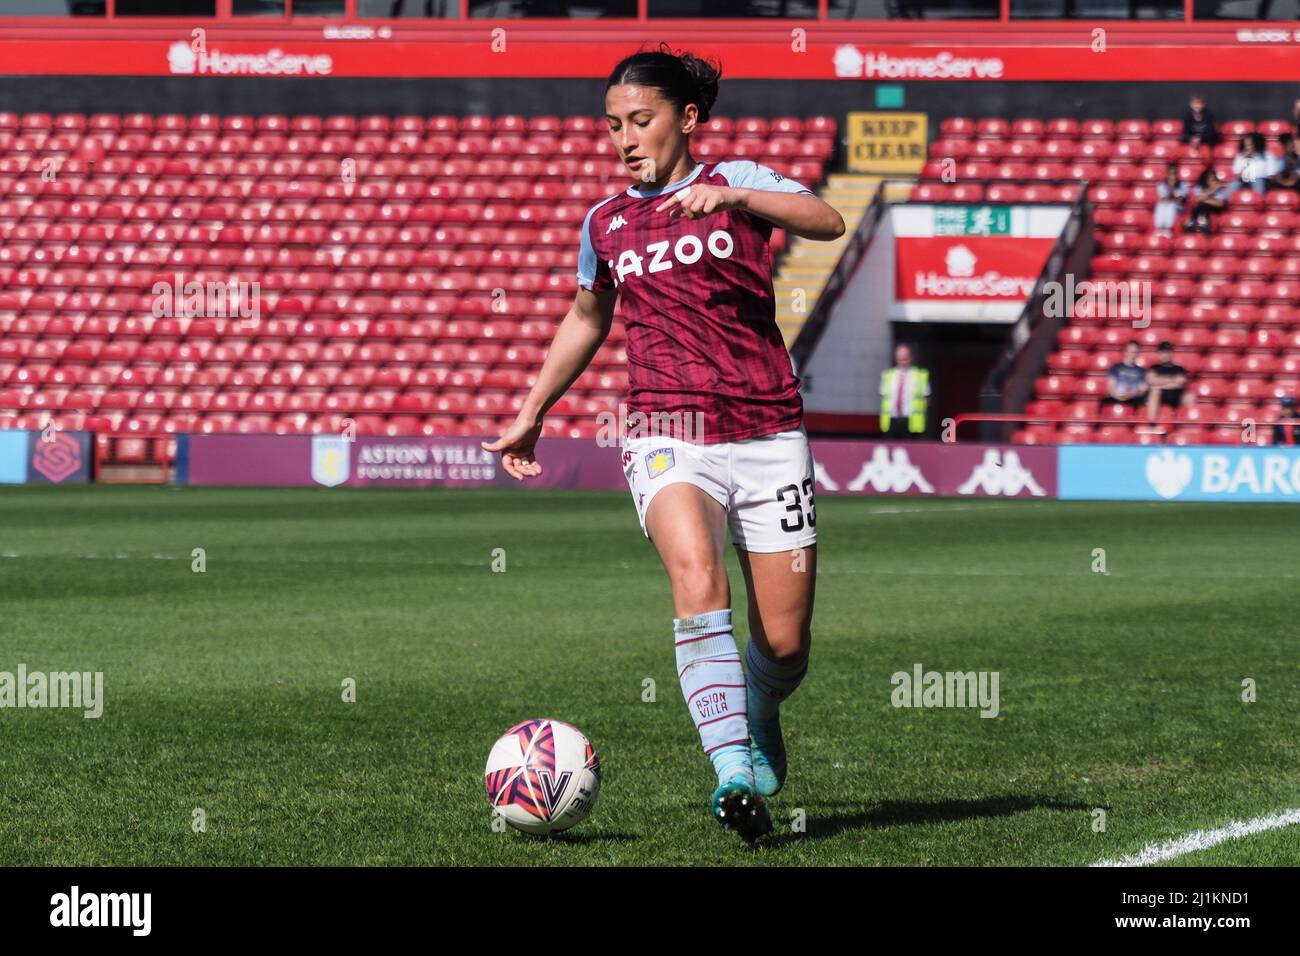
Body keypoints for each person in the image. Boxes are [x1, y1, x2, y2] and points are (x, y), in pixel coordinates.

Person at [482, 46, 845, 843]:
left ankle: (759, 712)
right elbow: (587, 316)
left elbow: (828, 220)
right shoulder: (607, 222)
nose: (624, 139)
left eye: (639, 121)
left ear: (686, 118)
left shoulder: (743, 185)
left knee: (783, 644)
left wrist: (732, 194)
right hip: (665, 427)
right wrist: (535, 406)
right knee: (695, 574)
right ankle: (733, 775)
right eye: (613, 126)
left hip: (768, 429)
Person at [879, 344, 930, 440]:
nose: (902, 361)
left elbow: (927, 398)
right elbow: (883, 397)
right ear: (896, 358)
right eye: (900, 358)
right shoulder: (887, 375)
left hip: (911, 421)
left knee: (911, 451)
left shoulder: (920, 375)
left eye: (905, 357)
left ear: (910, 357)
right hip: (891, 420)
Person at [1145, 340, 1195, 421]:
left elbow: (1180, 382)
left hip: (1176, 396)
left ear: (1171, 353)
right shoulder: (1154, 367)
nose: (1165, 355)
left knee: (1190, 396)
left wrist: (1160, 383)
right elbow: (1151, 381)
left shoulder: (1178, 368)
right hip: (1161, 397)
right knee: (1155, 390)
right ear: (1159, 354)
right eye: (1163, 352)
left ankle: (1189, 423)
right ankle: (1152, 423)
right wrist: (1172, 380)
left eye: (1167, 352)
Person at [1100, 340, 1148, 411]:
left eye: (1135, 353)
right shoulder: (1115, 367)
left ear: (1138, 354)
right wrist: (1117, 396)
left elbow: (1142, 390)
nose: (1132, 355)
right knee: (1103, 401)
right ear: (1125, 352)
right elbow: (1110, 387)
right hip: (1117, 396)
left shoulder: (1142, 371)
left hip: (1133, 398)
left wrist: (1132, 394)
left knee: (1141, 402)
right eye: (1131, 352)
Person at [1186, 167, 1229, 233]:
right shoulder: (1199, 188)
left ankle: (1204, 226)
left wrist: (1204, 199)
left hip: (1213, 211)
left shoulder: (1219, 190)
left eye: (1214, 180)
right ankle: (1191, 225)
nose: (1214, 182)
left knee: (1206, 207)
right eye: (1211, 180)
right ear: (1206, 181)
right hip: (1199, 209)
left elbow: (1220, 204)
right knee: (1198, 208)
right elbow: (1196, 200)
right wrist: (1212, 191)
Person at [1153, 163, 1189, 236]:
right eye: (1170, 174)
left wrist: (1173, 188)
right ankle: (1159, 228)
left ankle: (1167, 229)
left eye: (1175, 173)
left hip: (1178, 207)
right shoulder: (1161, 185)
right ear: (1167, 175)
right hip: (1165, 206)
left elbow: (1180, 200)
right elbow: (1164, 199)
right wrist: (1170, 187)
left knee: (1171, 205)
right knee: (1160, 205)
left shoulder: (1183, 185)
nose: (1173, 176)